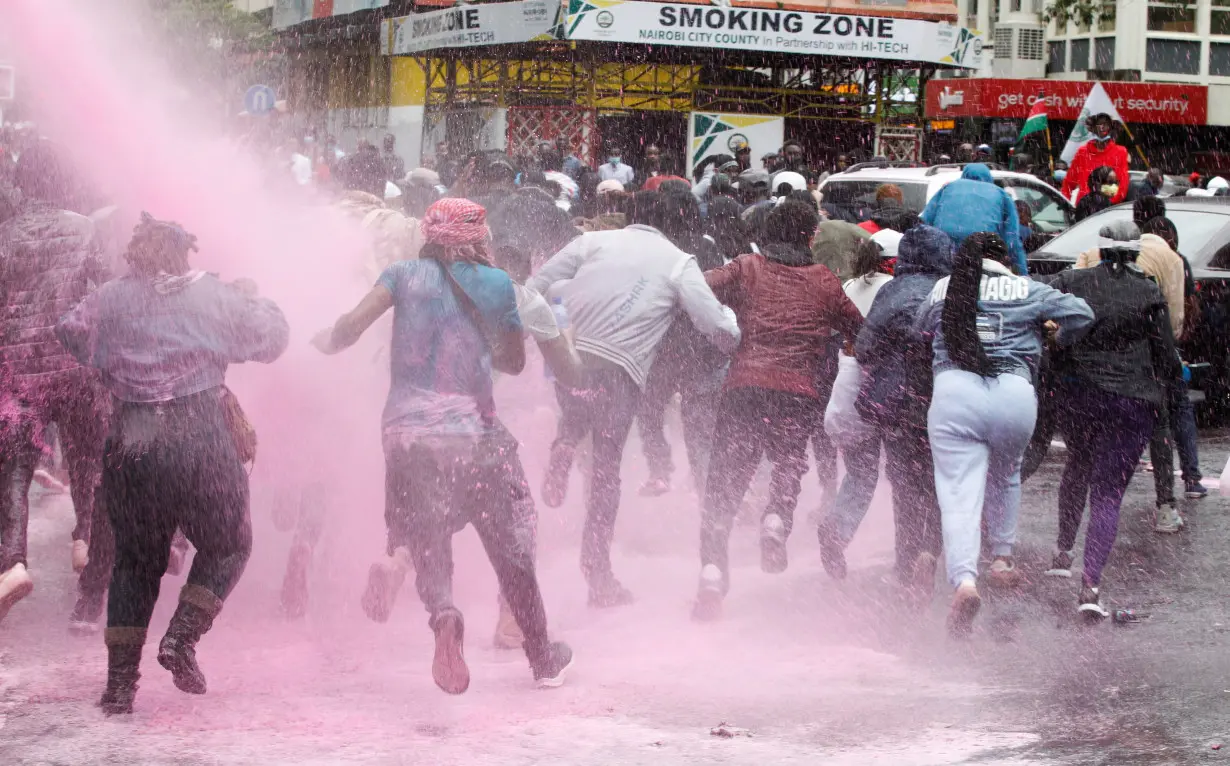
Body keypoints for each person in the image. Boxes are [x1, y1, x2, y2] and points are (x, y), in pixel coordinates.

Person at [314, 198, 574, 692]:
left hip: (406, 435)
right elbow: (514, 363)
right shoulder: (497, 284)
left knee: (426, 534)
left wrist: (320, 344)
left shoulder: (401, 274)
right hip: (475, 434)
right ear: (478, 237)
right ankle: (541, 656)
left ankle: (444, 615)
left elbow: (349, 327)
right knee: (509, 541)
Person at [56, 213, 289, 715]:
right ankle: (180, 638)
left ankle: (120, 686)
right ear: (185, 252)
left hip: (131, 441)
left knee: (135, 562)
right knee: (229, 545)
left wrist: (116, 355)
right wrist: (253, 298)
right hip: (199, 435)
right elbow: (272, 338)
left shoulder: (112, 296)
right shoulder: (213, 293)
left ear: (134, 253)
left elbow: (69, 329)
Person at [529, 191, 740, 608]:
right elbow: (714, 323)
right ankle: (598, 574)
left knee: (577, 403)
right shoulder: (678, 261)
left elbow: (534, 287)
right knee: (606, 468)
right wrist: (734, 329)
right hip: (621, 369)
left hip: (570, 353)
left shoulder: (594, 241)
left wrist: (550, 328)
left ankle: (566, 440)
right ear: (678, 220)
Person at [915, 233, 1094, 636]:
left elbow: (918, 329)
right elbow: (1082, 313)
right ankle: (1001, 558)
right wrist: (1054, 338)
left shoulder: (944, 287)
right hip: (1014, 393)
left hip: (955, 391)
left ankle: (964, 581)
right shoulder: (1027, 287)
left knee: (959, 494)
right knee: (1006, 472)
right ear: (1006, 261)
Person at [693, 200, 862, 620]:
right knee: (789, 459)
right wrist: (843, 343)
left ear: (768, 231)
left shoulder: (747, 267)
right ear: (810, 237)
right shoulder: (824, 280)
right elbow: (860, 328)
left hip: (744, 387)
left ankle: (712, 574)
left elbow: (699, 286)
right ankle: (776, 520)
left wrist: (719, 324)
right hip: (798, 392)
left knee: (724, 487)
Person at [1044, 221, 1182, 616]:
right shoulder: (1148, 291)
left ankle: (1062, 552)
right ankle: (1090, 586)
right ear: (1135, 253)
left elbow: (1045, 313)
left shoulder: (1073, 280)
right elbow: (1167, 358)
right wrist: (1170, 381)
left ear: (1100, 250)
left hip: (1081, 394)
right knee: (1107, 494)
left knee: (1078, 465)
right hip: (1133, 402)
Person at [0, 143, 112, 630]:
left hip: (19, 377)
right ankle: (85, 546)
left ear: (26, 186)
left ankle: (13, 564)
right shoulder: (85, 230)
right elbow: (103, 294)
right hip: (77, 369)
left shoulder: (6, 235)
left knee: (14, 473)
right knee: (89, 466)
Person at [853, 225, 953, 598]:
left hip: (899, 405)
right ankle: (931, 550)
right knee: (943, 484)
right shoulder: (954, 291)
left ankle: (905, 562)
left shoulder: (891, 291)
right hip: (945, 402)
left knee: (906, 487)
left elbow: (864, 347)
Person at [817, 238, 893, 579]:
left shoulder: (850, 284)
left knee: (861, 474)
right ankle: (913, 549)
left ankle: (836, 527)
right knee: (905, 475)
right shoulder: (893, 288)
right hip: (885, 390)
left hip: (846, 389)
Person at [921, 163, 1027, 275]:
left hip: (943, 254)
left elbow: (924, 222)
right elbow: (1012, 241)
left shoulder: (948, 188)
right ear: (989, 178)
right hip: (981, 258)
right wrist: (1023, 274)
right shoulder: (1001, 194)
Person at [1062, 113, 1130, 205]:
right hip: (1084, 206)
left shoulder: (1120, 152)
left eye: (1106, 124)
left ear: (1111, 129)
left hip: (1108, 209)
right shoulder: (1082, 152)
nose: (1102, 127)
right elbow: (1068, 183)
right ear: (1093, 128)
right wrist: (1066, 206)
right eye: (1099, 124)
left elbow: (1123, 186)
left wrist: (1108, 204)